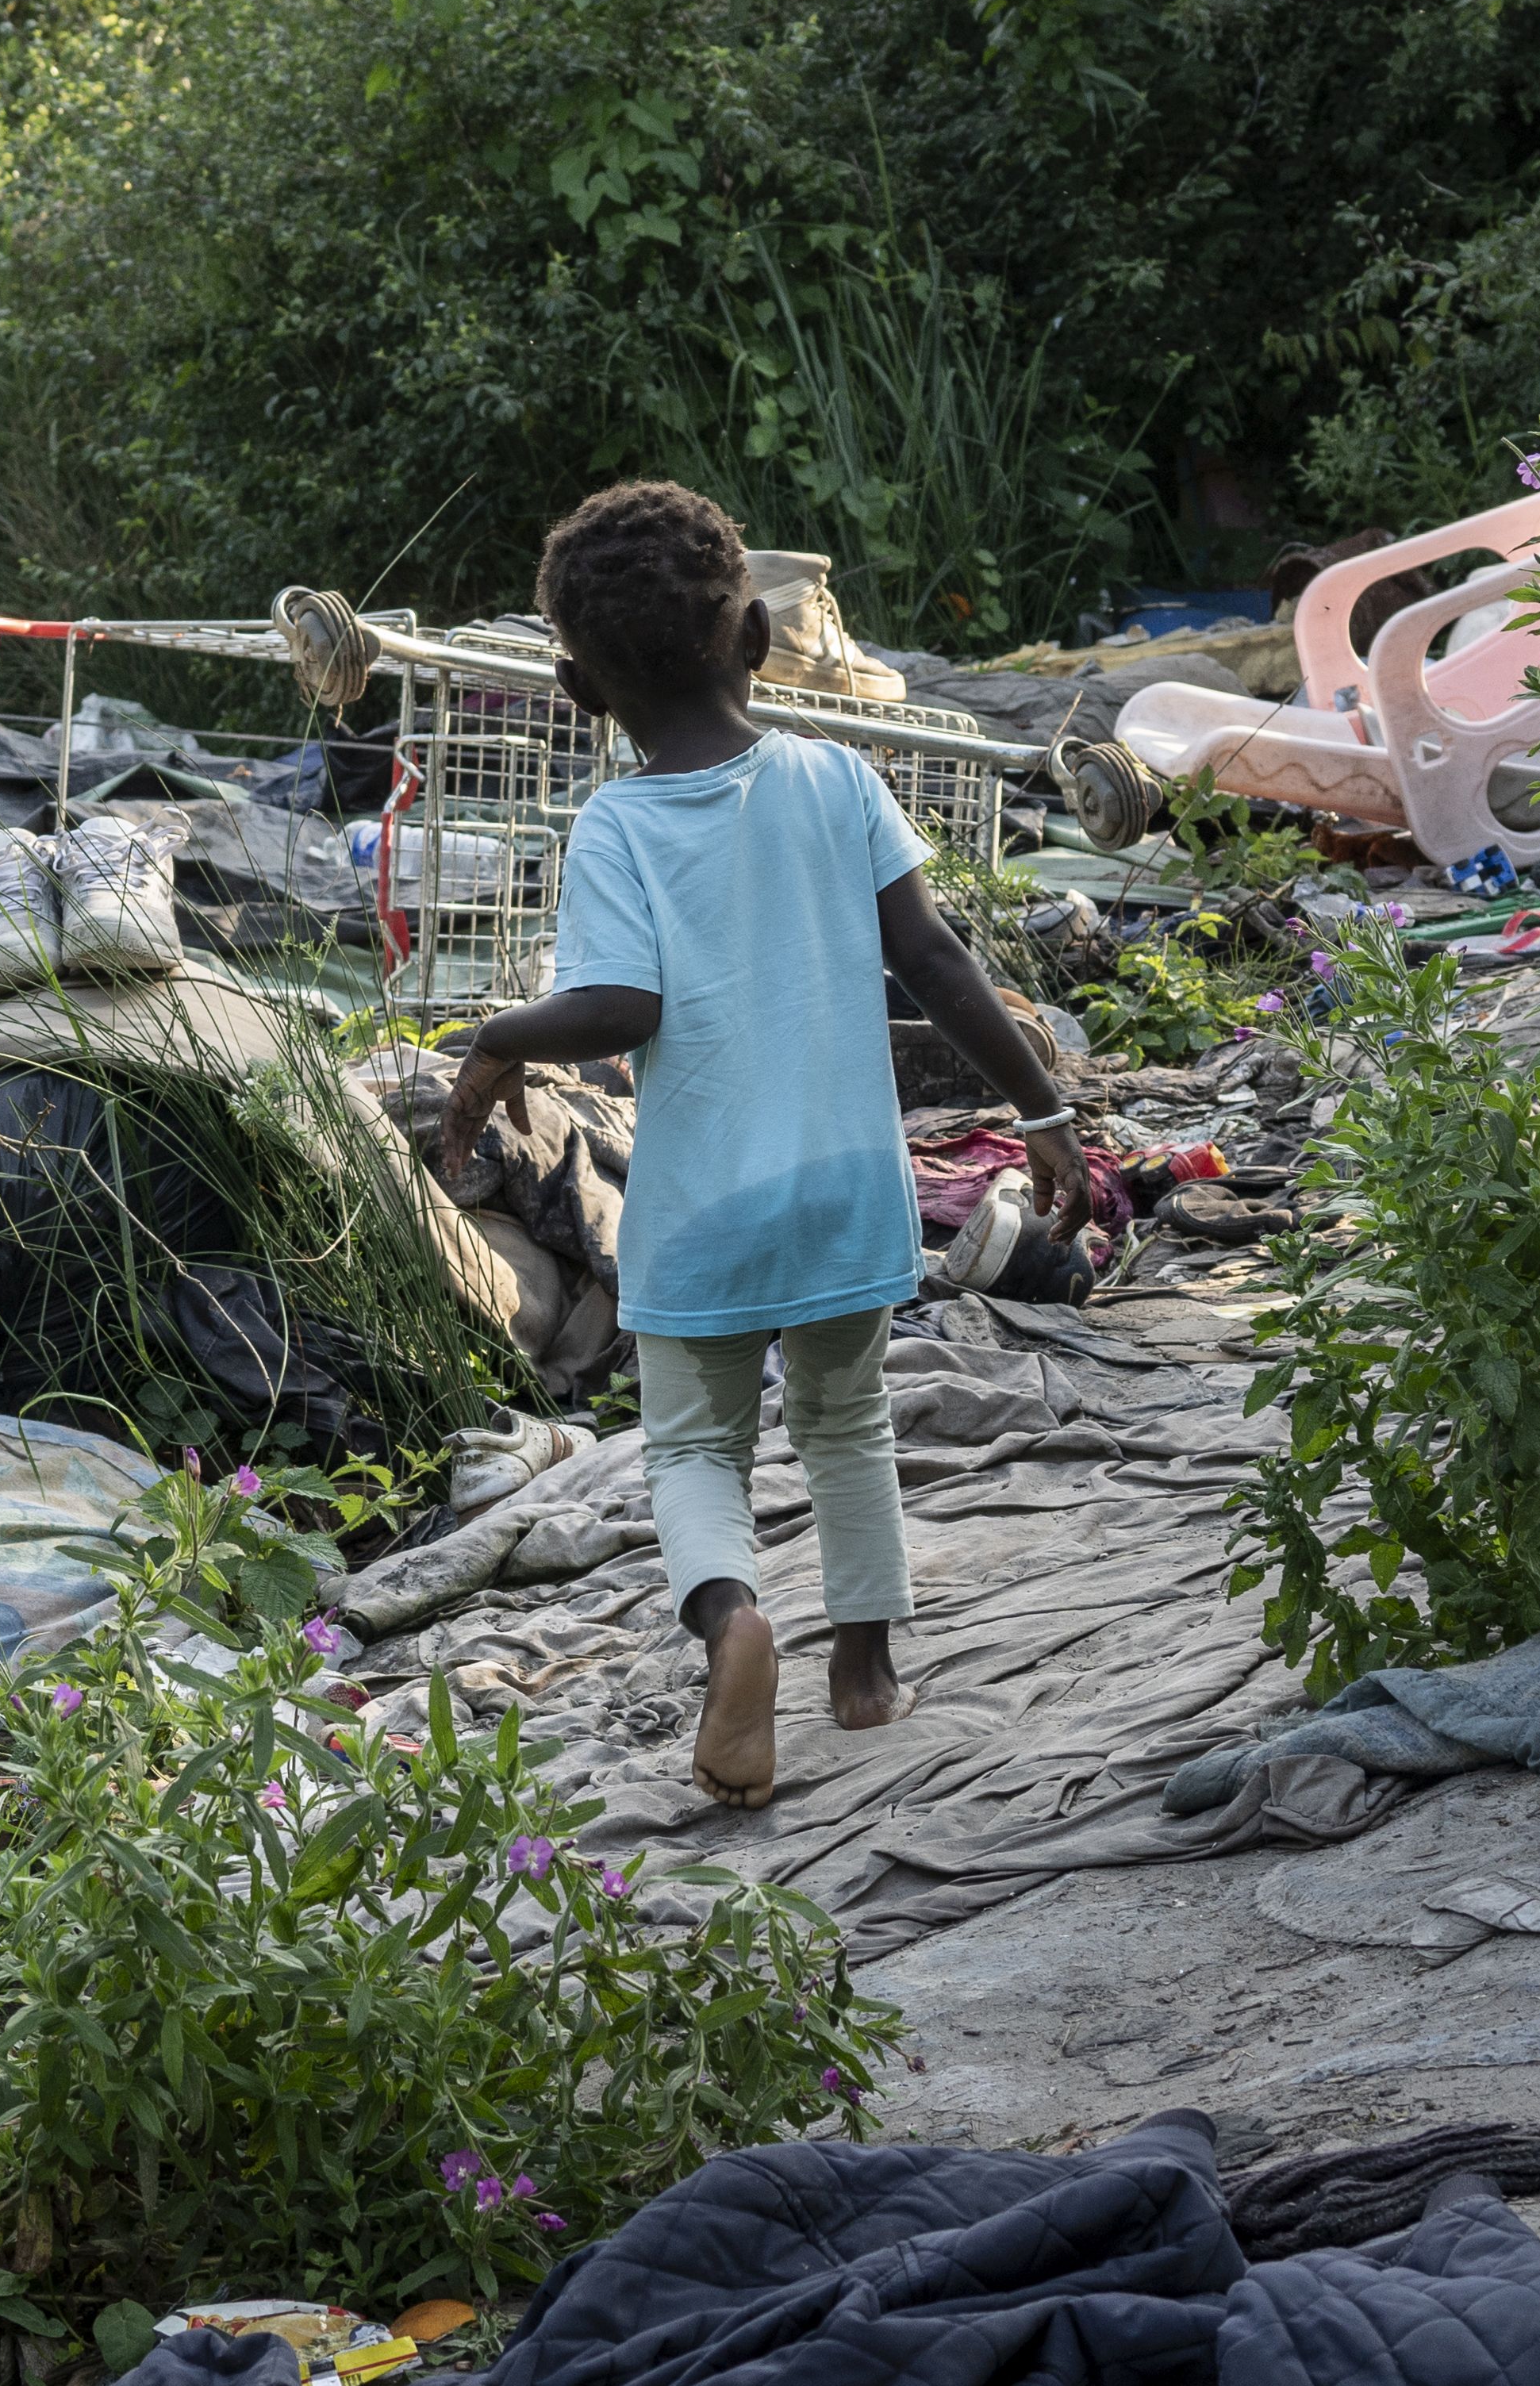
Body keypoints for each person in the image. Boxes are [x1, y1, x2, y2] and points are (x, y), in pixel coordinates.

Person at [438, 483, 1092, 1808]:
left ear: (574, 687)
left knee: (693, 1451)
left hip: (706, 1210)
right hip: (850, 1192)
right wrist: (1040, 1107)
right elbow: (935, 960)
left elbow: (621, 1010)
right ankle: (864, 1673)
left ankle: (734, 1624)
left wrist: (496, 1037)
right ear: (754, 640)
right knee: (849, 1426)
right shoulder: (838, 777)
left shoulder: (617, 825)